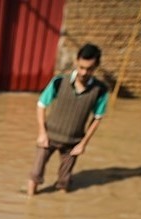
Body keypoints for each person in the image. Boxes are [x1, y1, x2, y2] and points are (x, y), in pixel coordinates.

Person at [26, 43, 108, 197]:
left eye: (89, 69)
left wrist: (83, 144)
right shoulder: (59, 81)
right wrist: (42, 133)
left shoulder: (100, 91)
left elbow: (97, 118)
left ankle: (61, 209)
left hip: (73, 142)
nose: (84, 72)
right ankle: (30, 202)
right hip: (49, 137)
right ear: (76, 61)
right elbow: (41, 105)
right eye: (81, 67)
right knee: (35, 173)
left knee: (65, 181)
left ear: (96, 67)